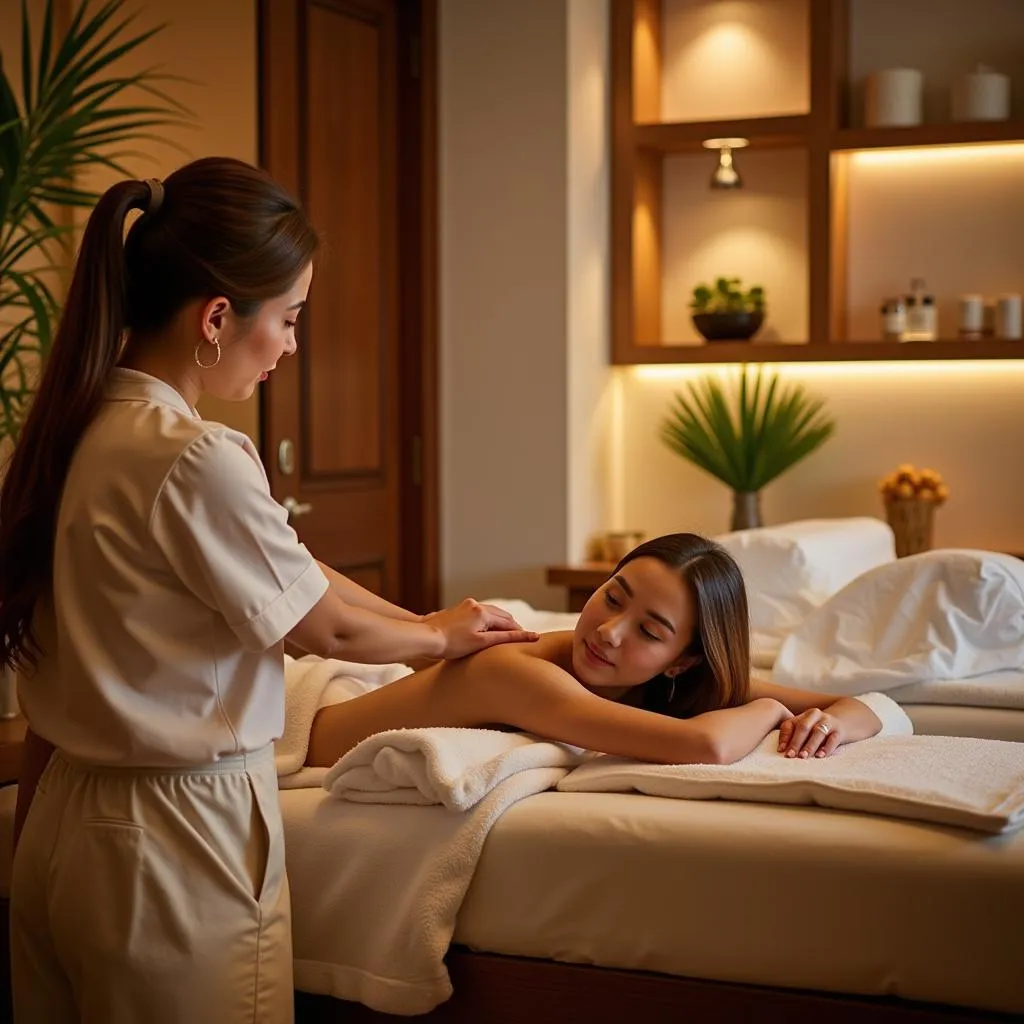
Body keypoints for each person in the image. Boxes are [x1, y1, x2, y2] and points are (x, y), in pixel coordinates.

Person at [0, 156, 537, 1024]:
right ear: (217, 317)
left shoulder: (76, 428)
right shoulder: (194, 454)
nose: (290, 345)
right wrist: (437, 642)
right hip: (172, 837)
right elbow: (323, 626)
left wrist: (431, 620)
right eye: (289, 319)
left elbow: (296, 569)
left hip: (64, 822)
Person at [305, 533, 884, 769]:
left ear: (683, 662)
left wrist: (831, 724)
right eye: (612, 598)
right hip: (293, 726)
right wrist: (773, 711)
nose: (609, 632)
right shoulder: (514, 671)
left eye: (649, 632)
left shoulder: (673, 681)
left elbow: (863, 705)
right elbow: (704, 744)